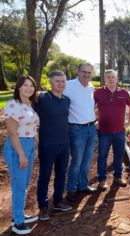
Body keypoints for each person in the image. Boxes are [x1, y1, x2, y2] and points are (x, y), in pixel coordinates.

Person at [3, 75, 39, 235]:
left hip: (29, 144)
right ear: (18, 87)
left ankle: (20, 214)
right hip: (18, 146)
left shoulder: (29, 104)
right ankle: (18, 222)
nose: (29, 88)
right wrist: (21, 154)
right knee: (18, 185)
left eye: (31, 86)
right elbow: (11, 132)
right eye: (25, 85)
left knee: (24, 184)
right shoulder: (13, 105)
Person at [35, 71, 73, 221]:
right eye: (57, 81)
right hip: (47, 145)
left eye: (63, 81)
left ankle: (57, 201)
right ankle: (43, 207)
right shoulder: (41, 99)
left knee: (61, 174)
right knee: (44, 176)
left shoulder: (66, 100)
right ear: (50, 82)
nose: (61, 84)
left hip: (64, 144)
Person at [94, 69, 130, 191]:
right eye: (108, 77)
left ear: (117, 78)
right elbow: (89, 107)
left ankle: (118, 177)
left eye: (112, 77)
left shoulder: (124, 92)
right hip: (103, 131)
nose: (110, 79)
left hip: (119, 131)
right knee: (102, 156)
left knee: (118, 155)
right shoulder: (98, 93)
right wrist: (94, 120)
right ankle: (102, 180)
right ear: (104, 79)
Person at [64, 63, 98, 203]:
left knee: (87, 159)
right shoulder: (68, 85)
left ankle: (83, 185)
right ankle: (71, 189)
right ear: (77, 71)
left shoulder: (91, 87)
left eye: (89, 72)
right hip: (76, 129)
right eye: (84, 71)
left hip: (91, 128)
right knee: (76, 161)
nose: (86, 75)